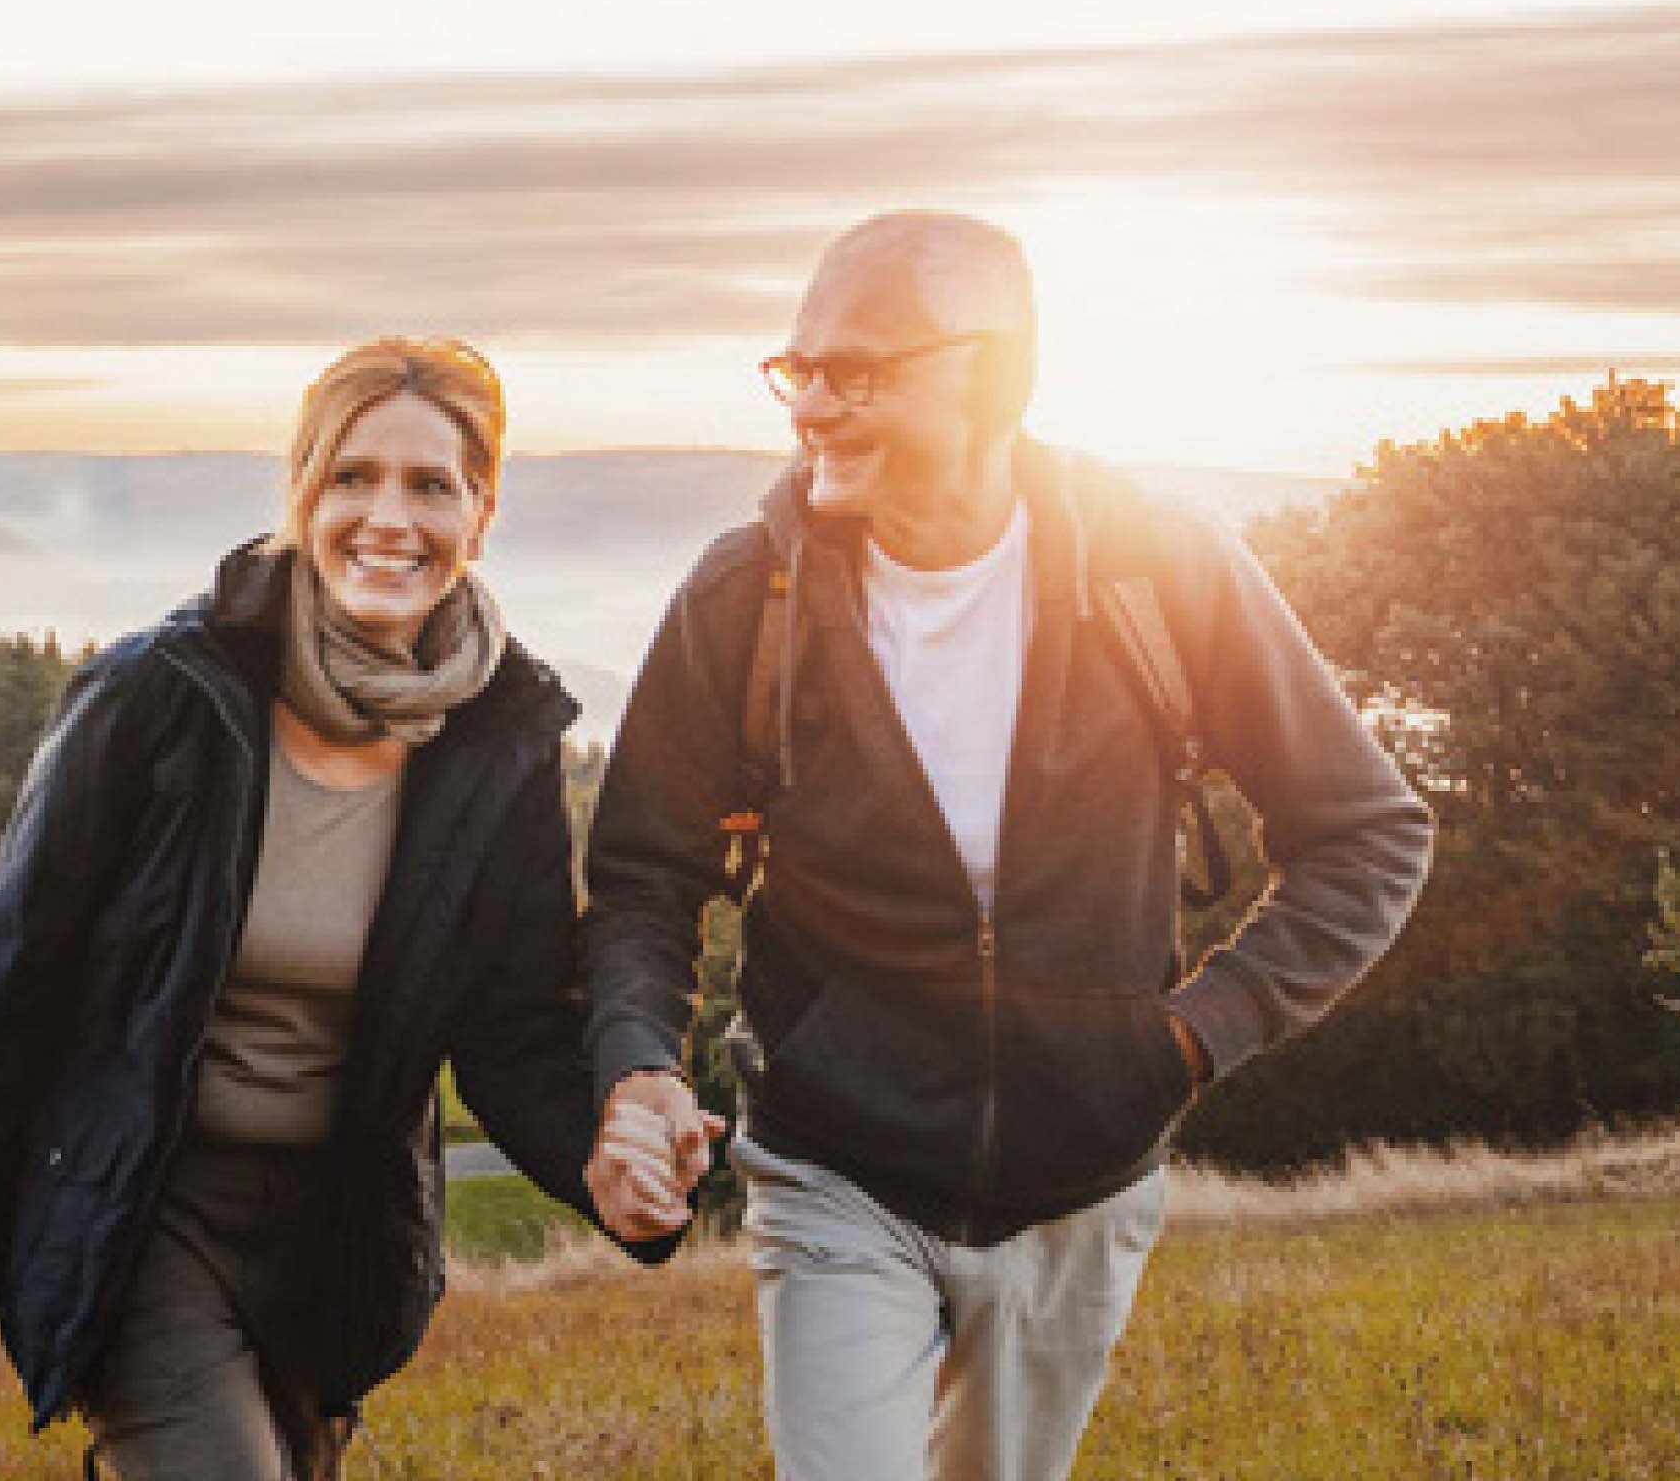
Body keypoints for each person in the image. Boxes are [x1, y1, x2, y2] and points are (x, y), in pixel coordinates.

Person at [579, 212, 1437, 1481]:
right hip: (834, 1168)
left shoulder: (1159, 565)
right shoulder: (741, 596)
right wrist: (641, 1062)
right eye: (797, 367)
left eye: (856, 370)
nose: (811, 403)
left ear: (993, 374)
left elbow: (1367, 833)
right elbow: (645, 878)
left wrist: (1195, 1035)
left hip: (1082, 1183)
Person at [0, 337, 675, 1479]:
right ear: (301, 490)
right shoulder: (166, 694)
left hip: (336, 1234)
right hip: (145, 1212)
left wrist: (610, 1167)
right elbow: (8, 980)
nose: (386, 518)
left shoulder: (499, 740)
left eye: (429, 484)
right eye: (351, 476)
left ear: (481, 508)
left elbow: (513, 1031)